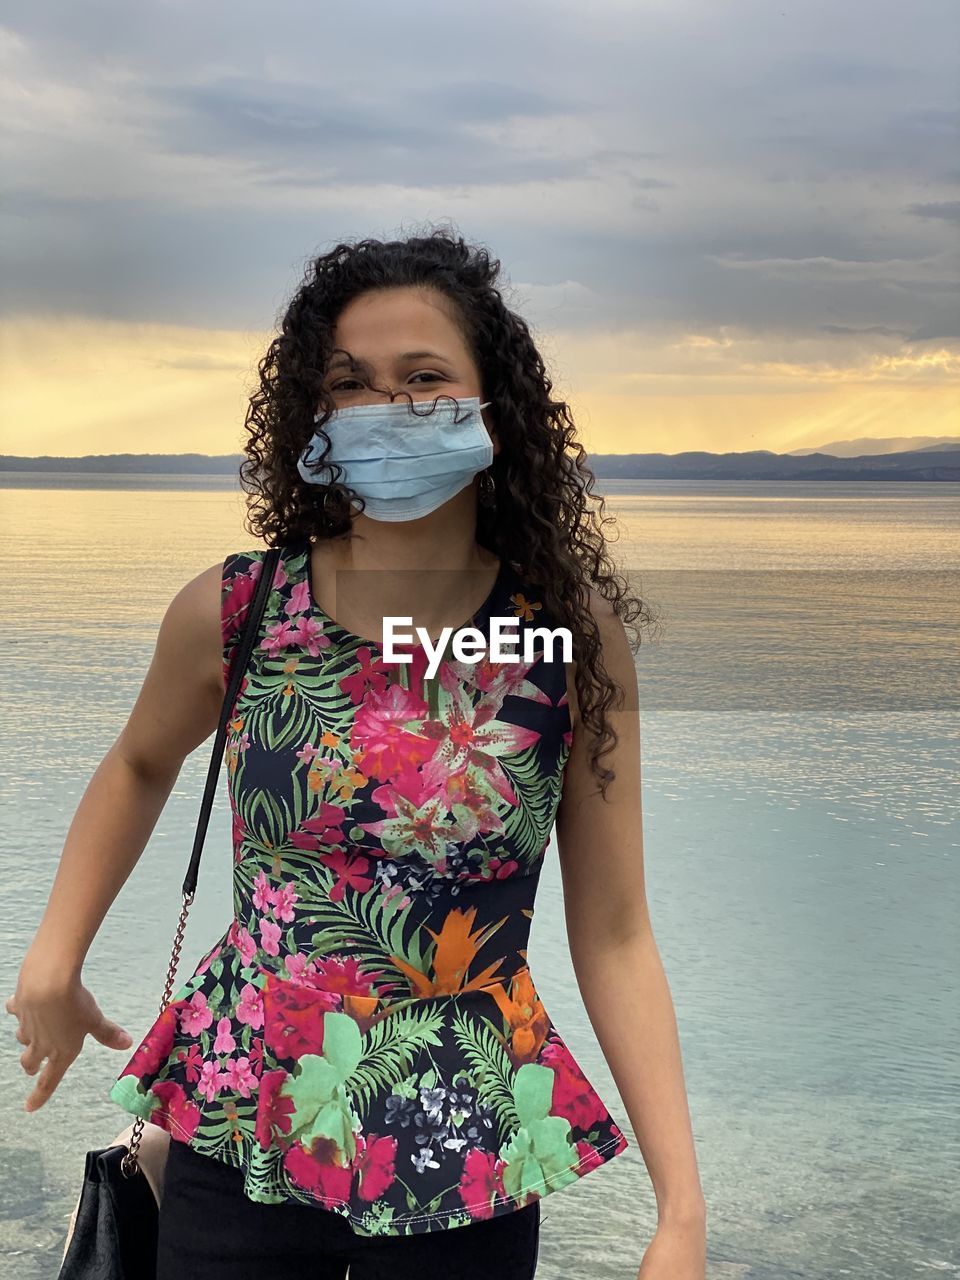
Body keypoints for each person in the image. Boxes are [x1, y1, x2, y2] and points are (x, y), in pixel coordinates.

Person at [6, 228, 707, 1279]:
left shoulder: (564, 638)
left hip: (464, 1128)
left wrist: (680, 1207)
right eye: (353, 384)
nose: (389, 410)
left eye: (425, 379)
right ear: (315, 419)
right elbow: (140, 763)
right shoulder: (237, 610)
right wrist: (52, 958)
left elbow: (612, 931)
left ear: (495, 411)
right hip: (245, 1111)